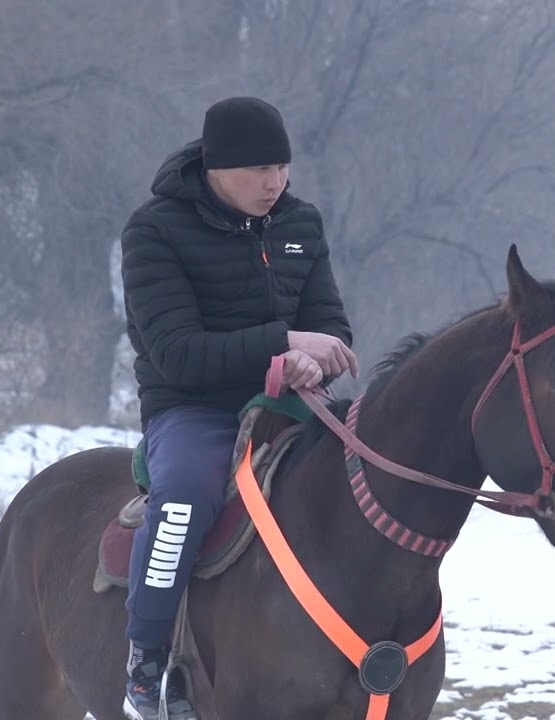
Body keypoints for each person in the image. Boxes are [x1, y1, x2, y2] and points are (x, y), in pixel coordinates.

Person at [118, 96, 359, 720]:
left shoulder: (301, 223)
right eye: (258, 170)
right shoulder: (153, 232)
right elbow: (178, 354)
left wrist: (314, 362)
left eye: (281, 167)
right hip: (193, 409)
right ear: (216, 169)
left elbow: (330, 328)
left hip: (294, 404)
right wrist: (284, 344)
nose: (274, 182)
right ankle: (146, 661)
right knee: (184, 500)